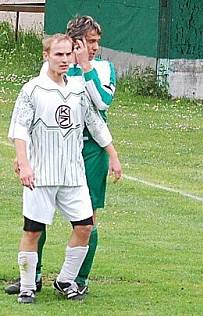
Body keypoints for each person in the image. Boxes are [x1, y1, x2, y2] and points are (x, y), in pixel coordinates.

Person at [5, 15, 118, 297]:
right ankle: (31, 280)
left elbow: (98, 112)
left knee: (86, 223)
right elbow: (23, 123)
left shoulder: (94, 75)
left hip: (81, 162)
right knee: (34, 225)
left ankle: (73, 279)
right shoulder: (37, 84)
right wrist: (23, 158)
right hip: (44, 162)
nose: (93, 47)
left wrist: (113, 156)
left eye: (95, 43)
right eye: (88, 42)